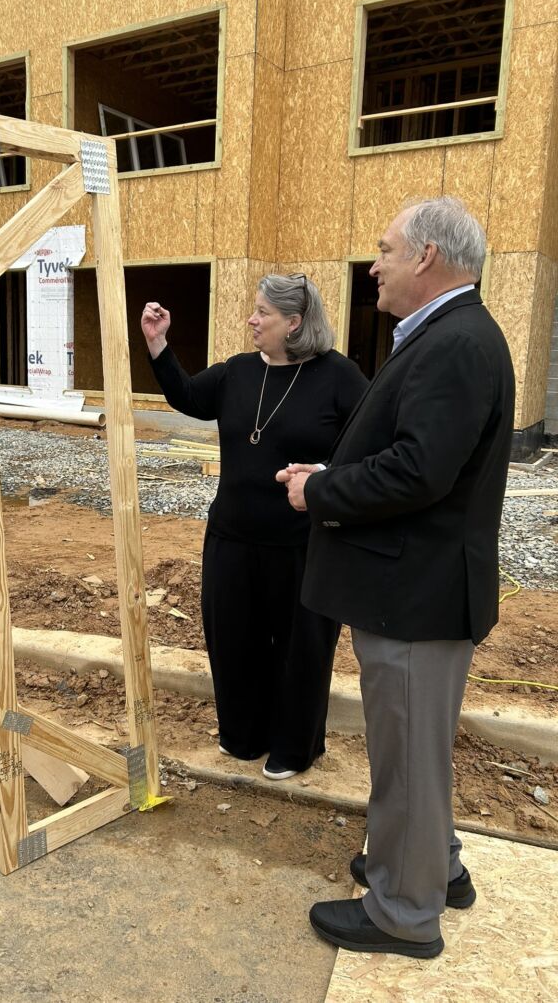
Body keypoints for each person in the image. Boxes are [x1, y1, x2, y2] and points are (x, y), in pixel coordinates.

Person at [277, 197, 515, 959]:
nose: (373, 265)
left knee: (407, 752)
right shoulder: (455, 335)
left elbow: (419, 471)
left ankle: (404, 912)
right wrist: (334, 471)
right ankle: (430, 868)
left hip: (416, 594)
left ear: (425, 257)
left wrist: (319, 490)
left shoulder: (454, 343)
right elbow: (415, 453)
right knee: (416, 749)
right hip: (421, 586)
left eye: (384, 250)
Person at [141, 275, 367, 779]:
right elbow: (187, 397)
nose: (251, 319)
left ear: (294, 322)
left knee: (300, 649)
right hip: (232, 539)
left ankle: (294, 747)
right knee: (233, 640)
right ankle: (242, 734)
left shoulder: (339, 376)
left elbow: (370, 445)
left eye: (262, 311)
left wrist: (328, 478)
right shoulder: (238, 372)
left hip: (303, 545)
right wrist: (158, 344)